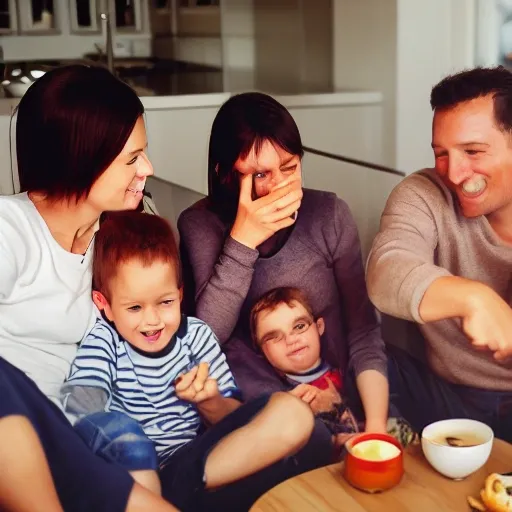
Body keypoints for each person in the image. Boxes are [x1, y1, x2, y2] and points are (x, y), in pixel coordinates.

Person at [61, 211, 327, 511]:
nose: (153, 321)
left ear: (180, 294)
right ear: (104, 305)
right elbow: (81, 406)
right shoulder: (105, 341)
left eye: (165, 302)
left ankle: (179, 493)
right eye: (134, 307)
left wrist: (209, 400)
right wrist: (126, 443)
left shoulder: (196, 336)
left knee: (293, 411)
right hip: (143, 477)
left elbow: (231, 422)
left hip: (207, 468)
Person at [0, 64, 177, 511]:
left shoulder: (119, 242)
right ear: (81, 159)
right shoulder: (10, 229)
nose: (148, 169)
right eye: (132, 158)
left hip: (87, 431)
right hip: (21, 428)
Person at [178, 92, 390, 436]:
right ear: (225, 175)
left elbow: (363, 329)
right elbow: (208, 338)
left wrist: (375, 426)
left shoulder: (329, 215)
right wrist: (243, 241)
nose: (280, 187)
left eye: (290, 167)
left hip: (345, 390)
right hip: (264, 413)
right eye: (261, 175)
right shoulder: (200, 225)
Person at [366, 66, 512, 442]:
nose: (455, 172)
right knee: (359, 358)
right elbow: (385, 271)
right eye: (442, 153)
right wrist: (473, 298)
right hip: (447, 399)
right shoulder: (424, 193)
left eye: (473, 151)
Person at [249, 287, 418, 449]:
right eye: (273, 337)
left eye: (299, 326)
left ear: (319, 327)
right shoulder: (281, 397)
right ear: (261, 352)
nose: (291, 339)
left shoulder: (349, 371)